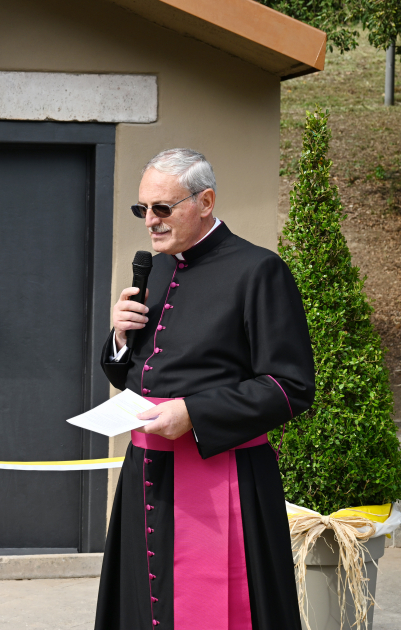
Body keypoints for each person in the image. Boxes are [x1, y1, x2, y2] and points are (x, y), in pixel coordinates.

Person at [94, 148, 314, 630]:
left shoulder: (259, 270)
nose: (149, 221)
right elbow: (139, 374)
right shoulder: (158, 268)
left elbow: (290, 386)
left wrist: (194, 412)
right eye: (141, 209)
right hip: (147, 473)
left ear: (206, 201)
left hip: (222, 475)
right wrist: (119, 339)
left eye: (162, 208)